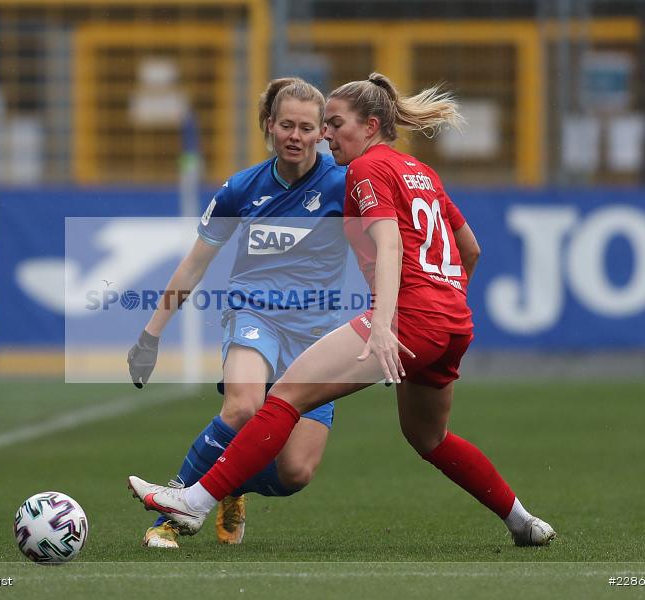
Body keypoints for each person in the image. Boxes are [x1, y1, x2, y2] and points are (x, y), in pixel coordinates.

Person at [129, 72, 557, 548]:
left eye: (329, 124)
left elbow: (390, 243)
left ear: (370, 126)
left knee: (287, 415)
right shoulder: (420, 171)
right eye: (312, 125)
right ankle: (523, 522)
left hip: (399, 320)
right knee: (428, 437)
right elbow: (470, 249)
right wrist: (446, 302)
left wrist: (383, 323)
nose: (324, 134)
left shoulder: (363, 171)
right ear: (269, 126)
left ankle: (193, 502)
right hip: (448, 323)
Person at [126, 77, 349, 548]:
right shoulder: (241, 189)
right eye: (286, 124)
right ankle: (172, 512)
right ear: (269, 126)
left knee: (296, 472)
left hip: (316, 334)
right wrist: (151, 335)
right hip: (255, 315)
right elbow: (194, 265)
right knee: (244, 405)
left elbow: (381, 253)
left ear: (321, 134)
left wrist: (387, 327)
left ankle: (230, 484)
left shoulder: (344, 186)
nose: (295, 135)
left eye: (307, 127)